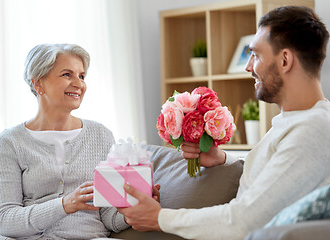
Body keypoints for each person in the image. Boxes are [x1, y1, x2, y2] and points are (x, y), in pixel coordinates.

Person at [118, 6, 330, 240]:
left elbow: (242, 222)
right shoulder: (297, 120)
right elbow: (269, 175)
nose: (248, 66)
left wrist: (159, 218)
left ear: (285, 60)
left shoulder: (313, 130)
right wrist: (222, 158)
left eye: (256, 55)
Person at [0, 44, 130, 239]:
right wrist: (65, 205)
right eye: (67, 74)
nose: (79, 84)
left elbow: (109, 216)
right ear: (38, 83)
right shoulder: (8, 142)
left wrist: (135, 208)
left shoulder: (102, 136)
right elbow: (6, 220)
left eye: (82, 76)